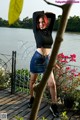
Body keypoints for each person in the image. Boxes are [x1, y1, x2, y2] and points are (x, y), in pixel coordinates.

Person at [28, 11, 59, 117]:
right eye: (39, 22)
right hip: (36, 60)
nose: (40, 24)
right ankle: (31, 98)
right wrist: (42, 13)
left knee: (52, 84)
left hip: (47, 61)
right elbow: (34, 14)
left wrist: (45, 14)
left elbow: (53, 16)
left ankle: (54, 105)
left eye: (42, 22)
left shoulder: (49, 31)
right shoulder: (36, 31)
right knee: (33, 81)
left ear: (46, 22)